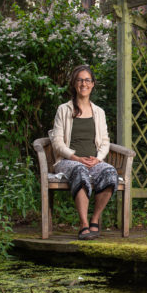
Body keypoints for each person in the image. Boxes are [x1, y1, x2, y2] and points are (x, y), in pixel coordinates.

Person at [50, 65, 118, 240]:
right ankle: (83, 224)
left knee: (110, 173)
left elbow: (104, 141)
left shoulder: (99, 112)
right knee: (79, 171)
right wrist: (75, 157)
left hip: (93, 161)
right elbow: (57, 142)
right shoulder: (63, 110)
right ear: (74, 83)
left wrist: (98, 159)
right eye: (80, 80)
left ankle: (94, 220)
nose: (84, 83)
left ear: (93, 84)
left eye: (87, 80)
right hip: (68, 161)